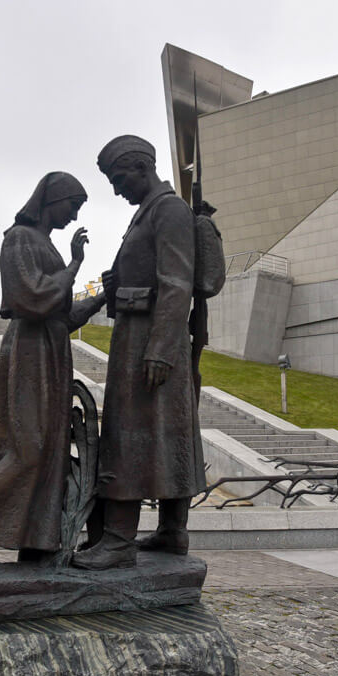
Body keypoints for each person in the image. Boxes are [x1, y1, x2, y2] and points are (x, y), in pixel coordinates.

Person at [0, 172, 106, 575]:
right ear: (52, 200)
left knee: (50, 449)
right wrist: (74, 265)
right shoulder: (19, 238)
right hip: (31, 352)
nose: (74, 216)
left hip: (51, 350)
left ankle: (36, 544)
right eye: (72, 206)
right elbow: (31, 299)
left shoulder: (44, 243)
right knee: (27, 446)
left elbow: (62, 316)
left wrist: (104, 293)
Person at [72, 135, 203, 571]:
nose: (115, 189)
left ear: (141, 168)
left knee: (130, 435)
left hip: (149, 341)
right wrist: (116, 284)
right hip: (140, 334)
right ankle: (172, 530)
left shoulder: (167, 209)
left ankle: (118, 539)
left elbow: (177, 282)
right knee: (165, 432)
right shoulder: (149, 212)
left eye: (118, 178)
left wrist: (162, 348)